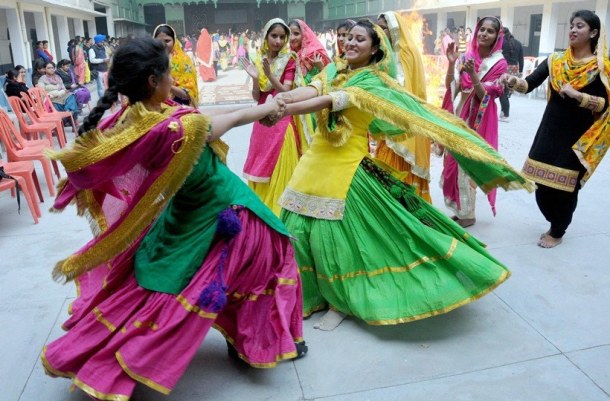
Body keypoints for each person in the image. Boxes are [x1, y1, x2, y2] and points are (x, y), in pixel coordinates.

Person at [40, 36, 306, 400]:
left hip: (187, 211)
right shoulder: (177, 128)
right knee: (273, 251)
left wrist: (269, 106)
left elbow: (207, 118)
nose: (174, 80)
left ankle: (241, 335)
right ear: (152, 81)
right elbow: (222, 120)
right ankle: (254, 341)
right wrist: (269, 108)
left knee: (184, 281)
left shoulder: (132, 118)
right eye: (168, 74)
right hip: (219, 207)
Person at [268, 19, 532, 331]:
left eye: (359, 40)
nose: (350, 44)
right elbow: (312, 89)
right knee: (295, 229)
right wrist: (284, 98)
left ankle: (340, 298)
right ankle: (308, 296)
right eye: (348, 38)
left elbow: (328, 100)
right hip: (314, 160)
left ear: (375, 49)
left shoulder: (372, 81)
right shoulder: (334, 70)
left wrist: (284, 108)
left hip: (344, 168)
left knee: (333, 239)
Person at [503, 10, 609, 248]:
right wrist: (513, 81)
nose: (572, 29)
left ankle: (558, 230)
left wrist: (578, 95)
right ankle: (555, 221)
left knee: (565, 189)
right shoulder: (555, 61)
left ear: (593, 32)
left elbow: (604, 105)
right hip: (549, 132)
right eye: (571, 25)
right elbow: (529, 84)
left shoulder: (600, 67)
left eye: (579, 26)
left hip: (578, 138)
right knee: (540, 184)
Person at [441, 16, 507, 228]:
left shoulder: (499, 63)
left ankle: (468, 214)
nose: (484, 34)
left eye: (490, 31)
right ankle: (461, 211)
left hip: (480, 120)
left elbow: (485, 96)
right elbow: (453, 87)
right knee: (451, 163)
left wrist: (473, 74)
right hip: (461, 116)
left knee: (467, 166)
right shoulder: (467, 56)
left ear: (497, 36)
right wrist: (452, 64)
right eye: (481, 29)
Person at [240, 18, 304, 215]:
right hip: (262, 117)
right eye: (274, 36)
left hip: (281, 115)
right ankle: (261, 209)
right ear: (266, 37)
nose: (278, 41)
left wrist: (269, 75)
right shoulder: (259, 60)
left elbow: (286, 90)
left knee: (280, 160)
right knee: (261, 161)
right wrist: (256, 78)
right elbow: (257, 96)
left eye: (282, 37)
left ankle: (281, 210)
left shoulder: (289, 59)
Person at [376, 11, 432, 202]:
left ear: (394, 29)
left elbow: (406, 87)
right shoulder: (383, 53)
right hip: (387, 121)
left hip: (406, 122)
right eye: (378, 28)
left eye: (383, 28)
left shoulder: (408, 53)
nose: (379, 32)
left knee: (402, 169)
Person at [153, 24, 200, 107]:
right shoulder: (148, 59)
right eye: (159, 41)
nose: (163, 44)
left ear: (174, 41)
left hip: (178, 108)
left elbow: (188, 94)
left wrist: (166, 85)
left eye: (167, 41)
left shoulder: (184, 60)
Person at [499, 27, 524, 122]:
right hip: (514, 70)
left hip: (504, 69)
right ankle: (503, 111)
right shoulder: (518, 43)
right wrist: (521, 71)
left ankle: (506, 114)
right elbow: (521, 59)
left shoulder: (502, 43)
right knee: (507, 92)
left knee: (502, 92)